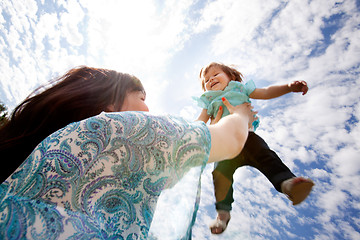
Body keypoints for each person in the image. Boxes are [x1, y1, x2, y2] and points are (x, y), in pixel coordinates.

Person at [0, 66, 255, 239]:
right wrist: (242, 113)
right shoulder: (124, 130)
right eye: (142, 97)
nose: (147, 109)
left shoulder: (51, 147)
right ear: (112, 101)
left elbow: (165, 172)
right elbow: (229, 140)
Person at [193, 62, 314, 234]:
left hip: (247, 137)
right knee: (220, 174)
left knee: (265, 156)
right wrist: (184, 132)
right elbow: (199, 121)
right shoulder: (209, 100)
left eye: (216, 74)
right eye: (206, 80)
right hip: (223, 142)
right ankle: (223, 213)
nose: (211, 79)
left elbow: (266, 92)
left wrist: (288, 87)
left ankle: (287, 183)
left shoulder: (240, 89)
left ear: (231, 77)